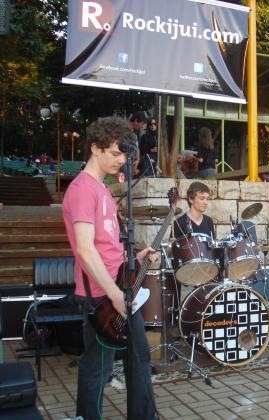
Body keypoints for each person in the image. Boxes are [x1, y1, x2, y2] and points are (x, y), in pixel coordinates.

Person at [62, 117, 158, 420]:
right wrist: (115, 295)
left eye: (123, 154)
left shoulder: (102, 190)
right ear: (95, 148)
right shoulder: (82, 190)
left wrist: (136, 258)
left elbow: (106, 247)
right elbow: (85, 249)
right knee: (97, 368)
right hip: (101, 296)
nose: (121, 160)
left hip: (119, 290)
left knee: (139, 359)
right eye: (115, 153)